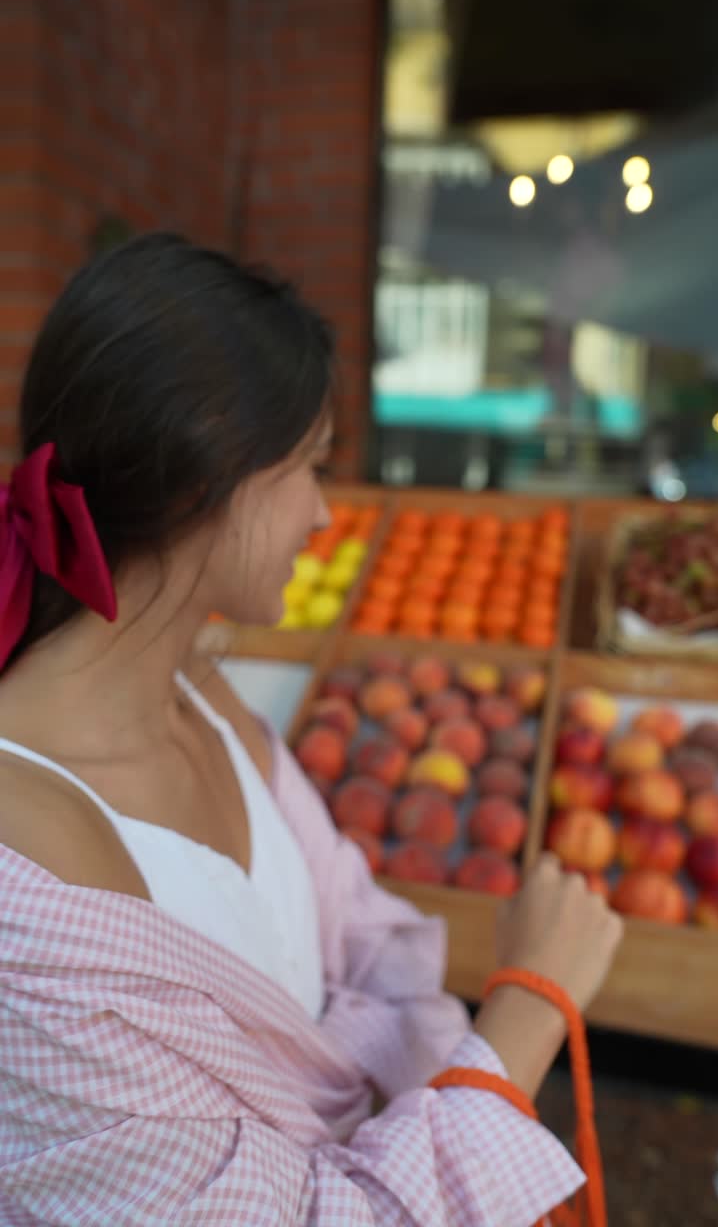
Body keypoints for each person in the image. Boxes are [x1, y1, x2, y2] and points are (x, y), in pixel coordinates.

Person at [0, 233, 623, 1225]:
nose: (326, 515)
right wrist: (528, 1007)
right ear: (205, 468)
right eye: (308, 466)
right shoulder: (24, 911)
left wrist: (404, 1113)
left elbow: (373, 935)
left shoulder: (210, 705)